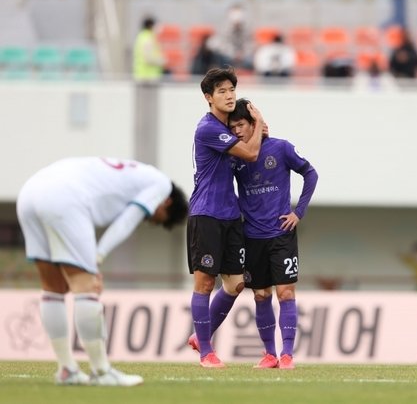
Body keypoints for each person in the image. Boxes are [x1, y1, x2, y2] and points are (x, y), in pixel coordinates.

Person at [16, 157, 188, 386]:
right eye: (156, 219)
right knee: (85, 286)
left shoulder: (135, 174)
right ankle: (101, 371)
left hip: (29, 192)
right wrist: (97, 257)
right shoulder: (161, 185)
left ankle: (67, 369)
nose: (150, 220)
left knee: (53, 288)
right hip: (64, 197)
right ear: (167, 202)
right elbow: (126, 222)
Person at [228, 98, 318, 369]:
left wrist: (298, 212)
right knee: (260, 296)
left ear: (254, 124)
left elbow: (310, 174)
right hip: (252, 236)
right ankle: (270, 355)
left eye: (241, 125)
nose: (237, 132)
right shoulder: (235, 156)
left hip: (281, 235)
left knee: (286, 294)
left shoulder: (280, 148)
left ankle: (287, 354)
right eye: (232, 127)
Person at [186, 67, 266, 369]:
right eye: (222, 91)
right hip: (206, 213)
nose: (230, 94)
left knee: (234, 285)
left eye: (232, 89)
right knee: (204, 284)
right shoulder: (208, 128)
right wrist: (258, 123)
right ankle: (207, 352)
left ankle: (199, 336)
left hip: (230, 215)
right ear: (209, 98)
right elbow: (251, 153)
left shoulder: (227, 130)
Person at [133, 16, 166, 82]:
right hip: (147, 78)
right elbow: (148, 59)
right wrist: (161, 61)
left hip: (144, 77)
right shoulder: (147, 38)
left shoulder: (143, 36)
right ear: (151, 25)